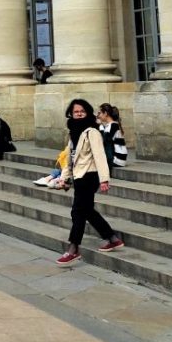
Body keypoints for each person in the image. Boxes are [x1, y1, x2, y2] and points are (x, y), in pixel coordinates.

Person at [55, 99, 123, 263]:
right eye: (76, 111)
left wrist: (104, 179)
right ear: (71, 113)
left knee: (78, 212)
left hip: (90, 175)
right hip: (79, 176)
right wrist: (64, 178)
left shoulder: (92, 131)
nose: (79, 113)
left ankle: (73, 248)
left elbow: (99, 156)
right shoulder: (73, 131)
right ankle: (112, 238)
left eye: (82, 111)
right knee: (87, 210)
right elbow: (70, 157)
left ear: (87, 112)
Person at [97, 103, 129, 170]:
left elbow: (104, 141)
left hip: (117, 160)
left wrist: (100, 125)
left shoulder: (113, 125)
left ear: (105, 113)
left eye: (99, 113)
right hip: (119, 159)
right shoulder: (111, 125)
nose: (98, 116)